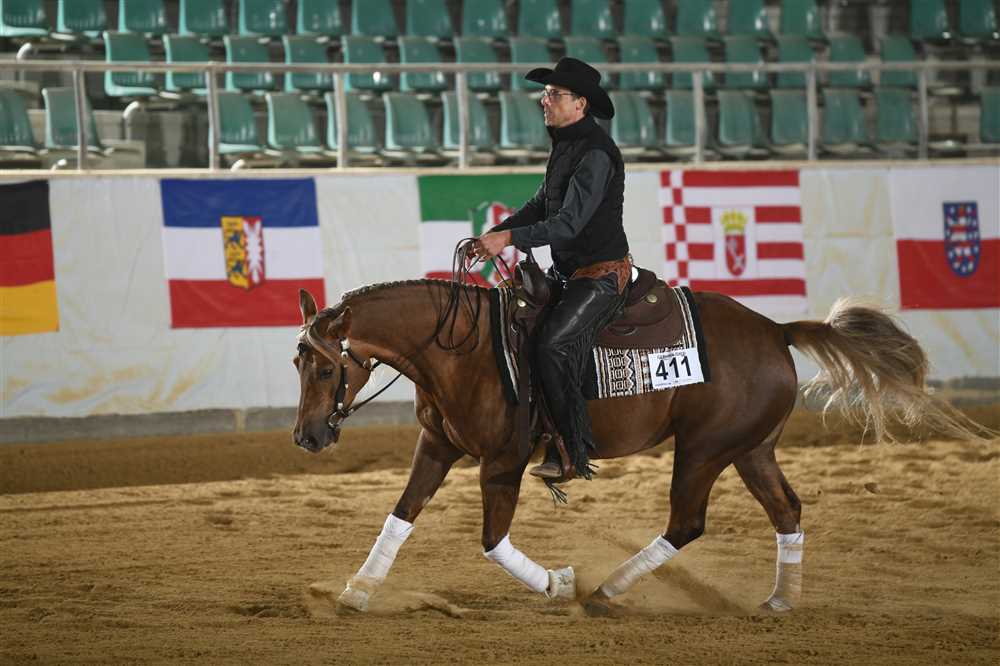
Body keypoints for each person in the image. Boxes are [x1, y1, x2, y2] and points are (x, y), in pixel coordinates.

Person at [469, 58, 632, 482]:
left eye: (554, 94)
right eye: (546, 94)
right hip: (570, 274)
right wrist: (495, 234)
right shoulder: (567, 145)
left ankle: (570, 451)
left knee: (552, 345)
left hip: (601, 275)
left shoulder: (596, 153)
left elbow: (568, 224)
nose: (545, 100)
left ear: (580, 104)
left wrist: (508, 238)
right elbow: (541, 205)